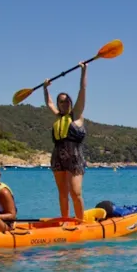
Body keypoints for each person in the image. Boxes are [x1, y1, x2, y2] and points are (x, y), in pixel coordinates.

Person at [44, 62, 88, 220]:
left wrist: (84, 72)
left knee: (75, 193)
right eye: (61, 101)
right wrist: (45, 87)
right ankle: (65, 220)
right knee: (62, 193)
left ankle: (81, 222)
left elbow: (82, 90)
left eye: (67, 100)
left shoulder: (76, 114)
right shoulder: (58, 116)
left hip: (74, 157)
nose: (64, 103)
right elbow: (48, 103)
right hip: (58, 157)